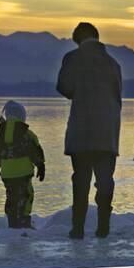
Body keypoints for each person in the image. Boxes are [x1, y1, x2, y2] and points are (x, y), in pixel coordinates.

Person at [56, 22, 122, 239]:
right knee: (105, 181)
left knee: (81, 182)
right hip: (107, 135)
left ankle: (78, 229)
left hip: (82, 133)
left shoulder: (72, 59)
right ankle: (103, 227)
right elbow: (117, 100)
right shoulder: (113, 64)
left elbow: (64, 87)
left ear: (78, 39)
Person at [0, 100, 46, 228]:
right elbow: (36, 152)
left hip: (7, 174)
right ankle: (24, 222)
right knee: (26, 197)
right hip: (24, 173)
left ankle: (12, 222)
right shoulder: (27, 134)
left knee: (11, 197)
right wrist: (41, 166)